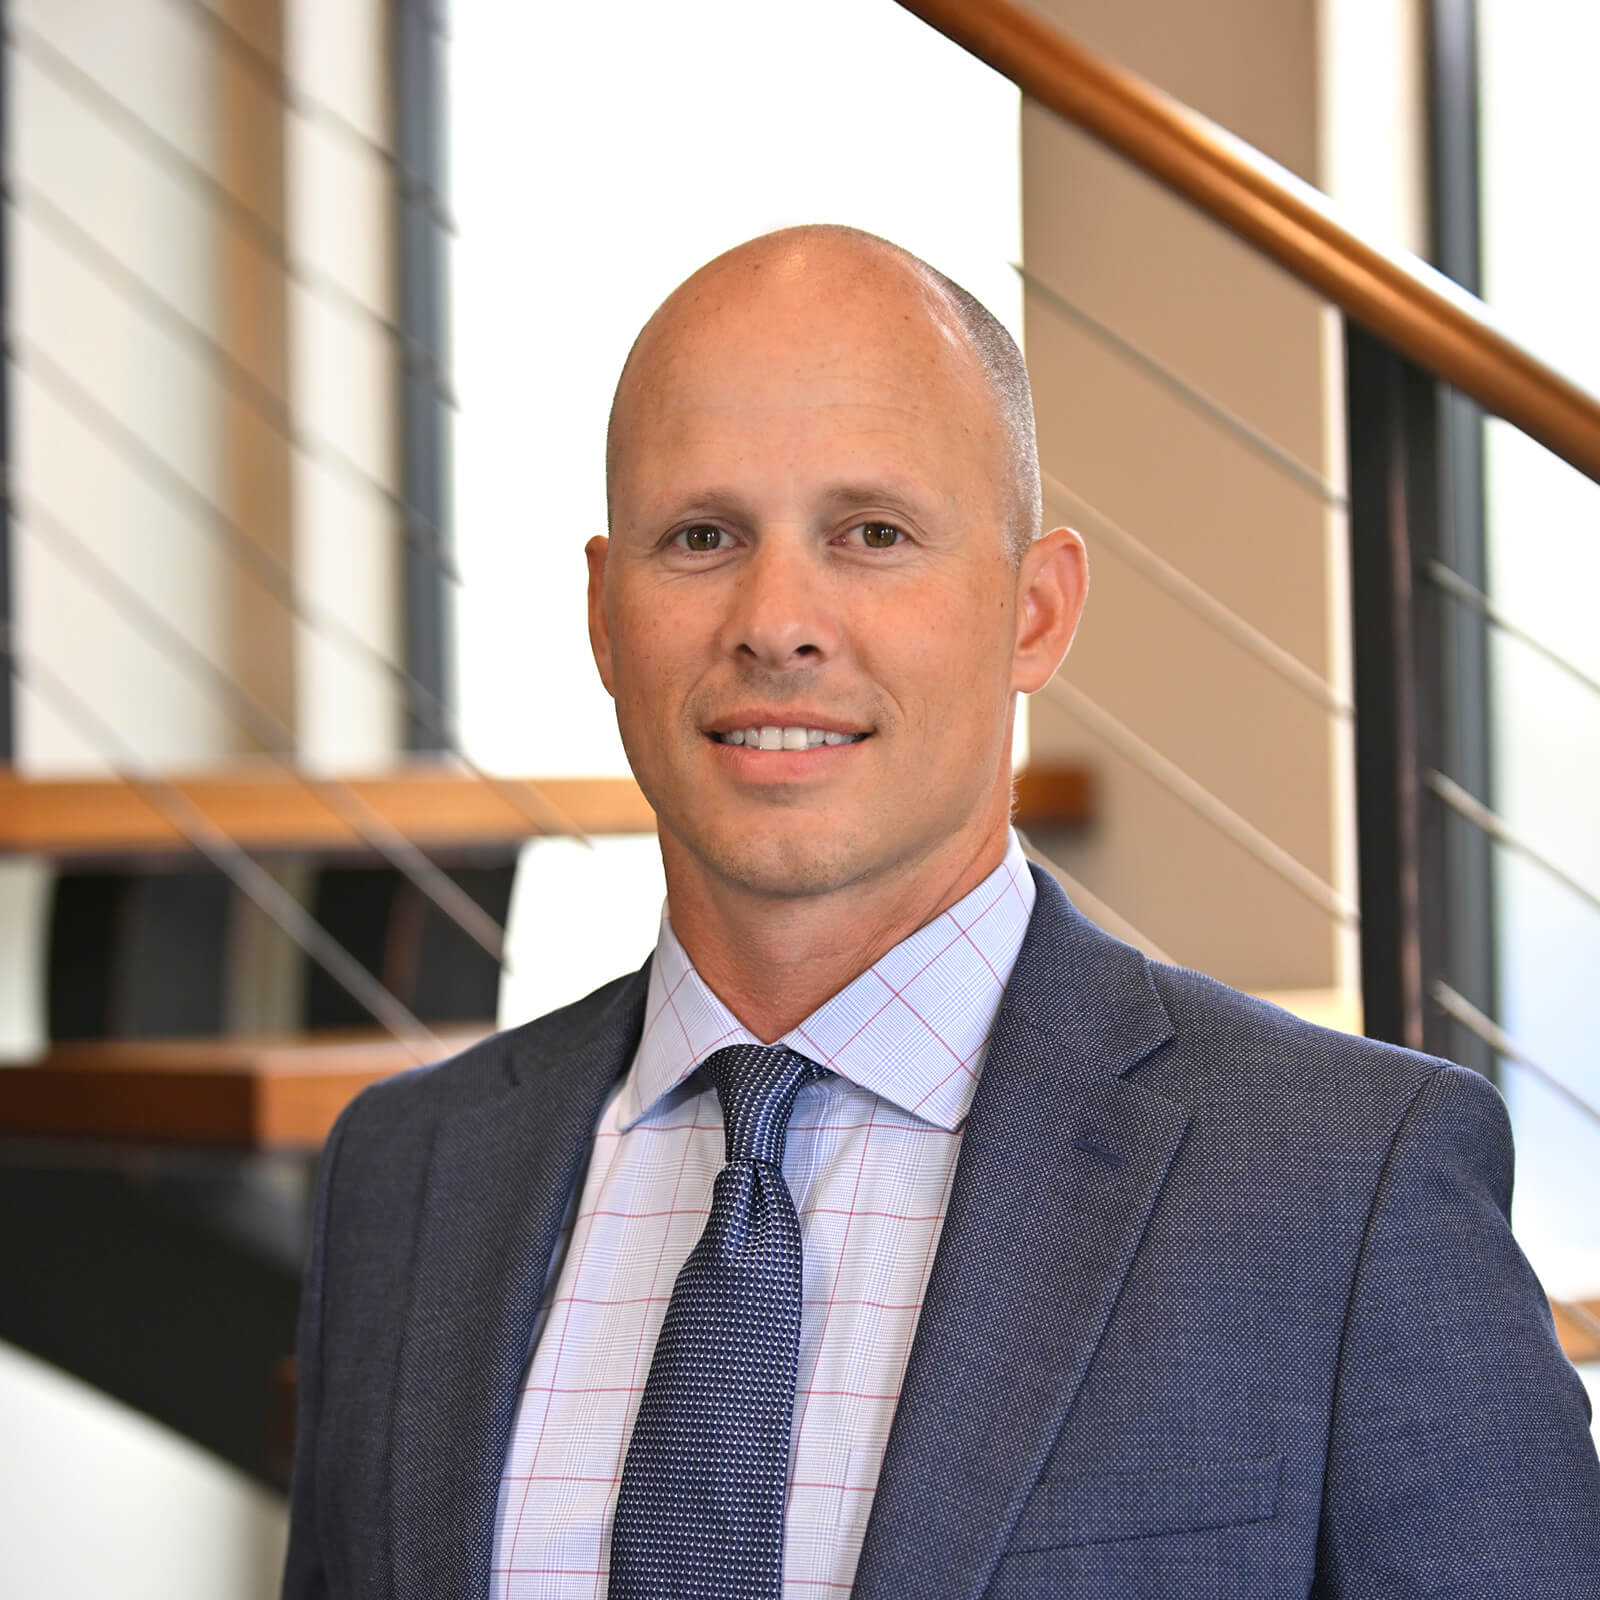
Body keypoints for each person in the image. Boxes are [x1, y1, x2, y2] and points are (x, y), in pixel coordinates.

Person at [282, 226, 1600, 1600]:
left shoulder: (1345, 1186)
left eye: (872, 534)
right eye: (703, 536)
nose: (776, 620)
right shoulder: (407, 1172)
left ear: (1036, 613)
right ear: (607, 617)